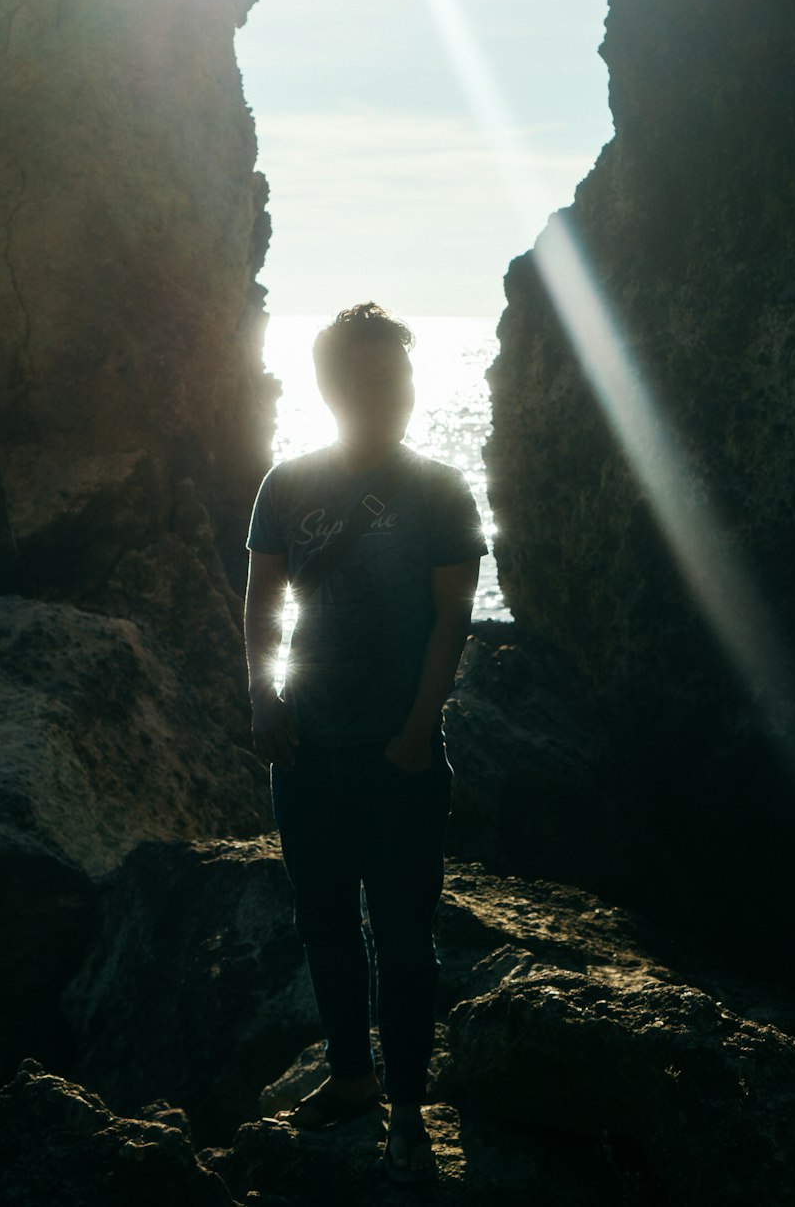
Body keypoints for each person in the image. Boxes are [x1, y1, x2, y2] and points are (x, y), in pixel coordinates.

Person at [244, 303, 486, 1185]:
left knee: (404, 935)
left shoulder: (441, 490)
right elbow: (264, 601)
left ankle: (411, 1113)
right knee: (323, 923)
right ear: (333, 385)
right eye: (374, 378)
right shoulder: (288, 483)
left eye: (403, 379)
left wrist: (418, 732)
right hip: (307, 750)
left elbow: (454, 616)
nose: (394, 395)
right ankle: (351, 1079)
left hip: (399, 756)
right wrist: (264, 695)